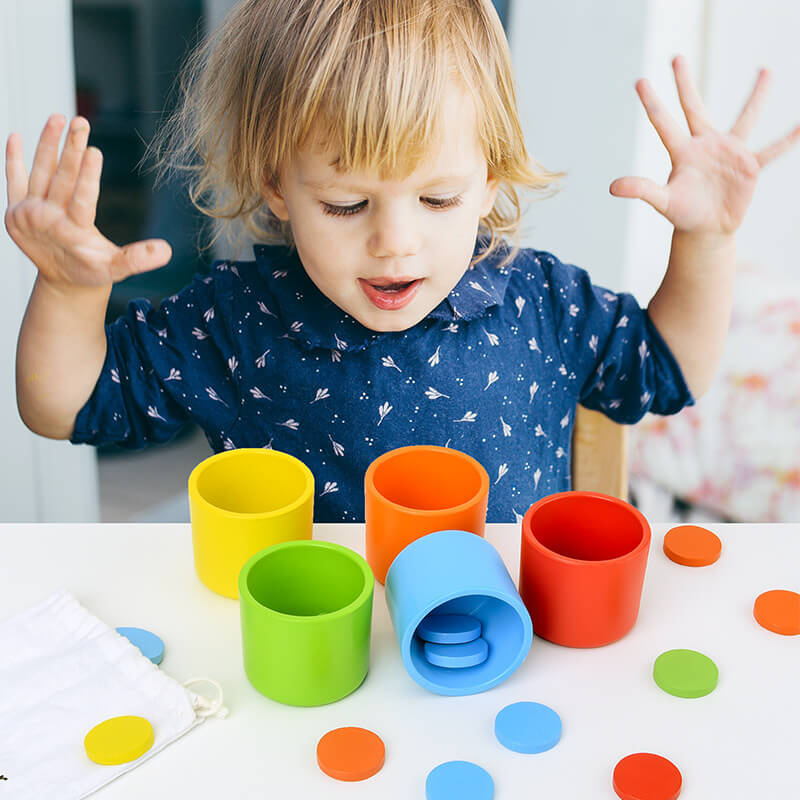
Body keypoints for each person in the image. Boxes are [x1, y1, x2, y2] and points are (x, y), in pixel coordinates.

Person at [5, 0, 799, 522]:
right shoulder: (234, 319)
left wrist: (708, 241)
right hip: (314, 673)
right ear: (275, 184)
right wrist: (68, 294)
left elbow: (668, 370)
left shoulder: (539, 301)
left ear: (491, 177)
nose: (395, 241)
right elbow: (63, 406)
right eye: (346, 205)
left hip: (505, 661)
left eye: (440, 199)